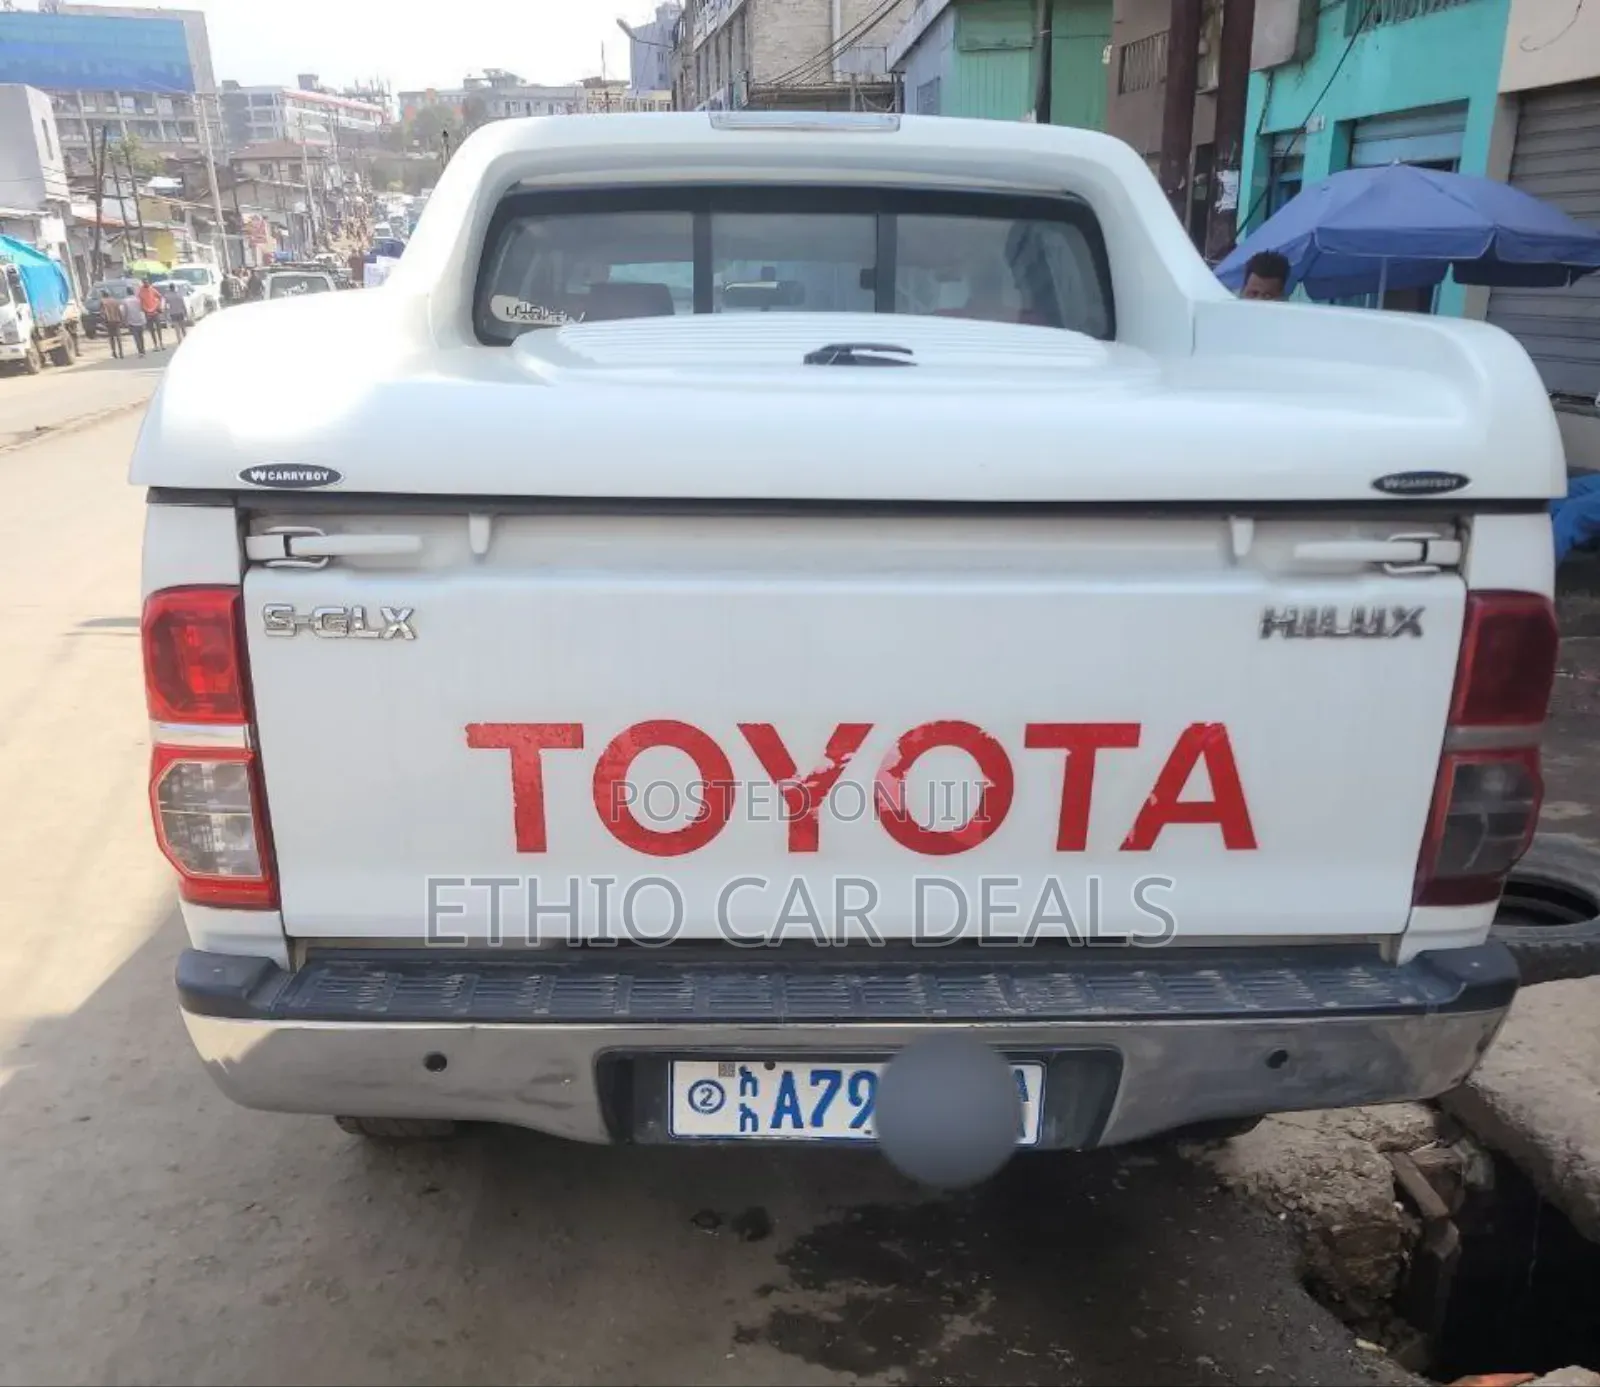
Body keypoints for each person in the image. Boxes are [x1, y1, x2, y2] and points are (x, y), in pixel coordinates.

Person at [120, 283, 148, 357]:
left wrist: (124, 321)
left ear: (127, 292)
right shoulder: (138, 299)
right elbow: (142, 309)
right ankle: (143, 350)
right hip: (140, 320)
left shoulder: (125, 301)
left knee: (136, 338)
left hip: (131, 321)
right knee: (141, 336)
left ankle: (140, 352)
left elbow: (123, 312)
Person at [139, 278, 166, 351]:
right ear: (143, 283)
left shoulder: (152, 289)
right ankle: (155, 345)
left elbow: (160, 297)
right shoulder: (141, 292)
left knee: (158, 329)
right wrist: (143, 309)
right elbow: (140, 303)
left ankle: (161, 343)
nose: (146, 284)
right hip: (148, 314)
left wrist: (159, 306)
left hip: (155, 312)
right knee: (151, 330)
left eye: (147, 282)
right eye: (145, 282)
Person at [101, 290, 125, 360]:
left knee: (111, 338)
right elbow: (119, 311)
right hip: (117, 321)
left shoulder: (103, 302)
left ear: (103, 295)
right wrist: (122, 320)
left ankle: (114, 352)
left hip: (109, 322)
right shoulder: (115, 301)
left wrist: (103, 322)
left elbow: (102, 313)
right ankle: (121, 353)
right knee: (118, 338)